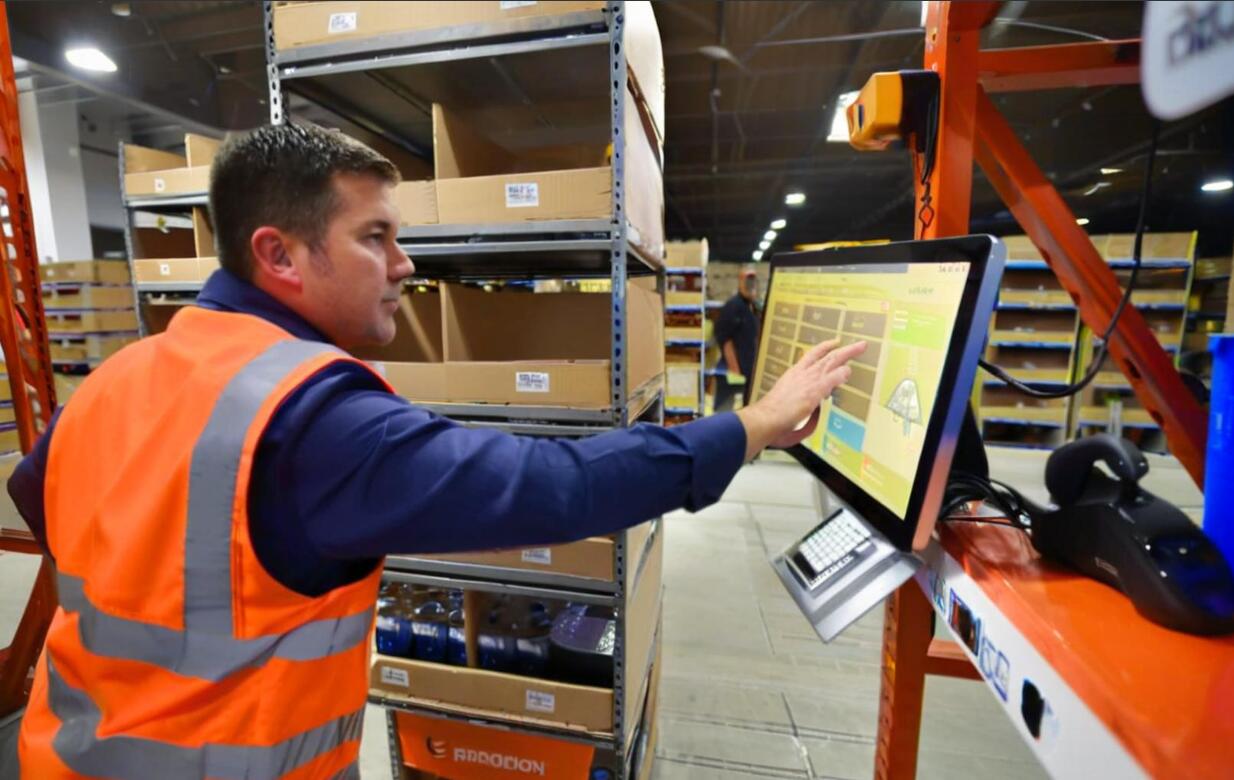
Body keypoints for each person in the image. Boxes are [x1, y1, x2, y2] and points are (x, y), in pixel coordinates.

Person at [9, 124, 863, 779]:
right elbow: (556, 486)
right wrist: (750, 426)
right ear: (279, 254)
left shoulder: (120, 377)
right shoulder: (311, 420)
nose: (406, 264)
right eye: (375, 237)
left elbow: (36, 496)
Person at [713, 267, 761, 411]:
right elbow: (725, 339)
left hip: (747, 372)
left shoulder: (753, 307)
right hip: (733, 373)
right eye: (747, 279)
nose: (750, 284)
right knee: (725, 413)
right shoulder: (733, 306)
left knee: (745, 411)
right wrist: (735, 369)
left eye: (753, 280)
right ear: (740, 281)